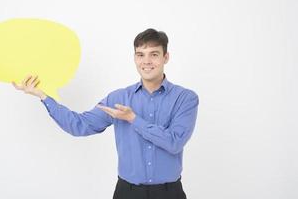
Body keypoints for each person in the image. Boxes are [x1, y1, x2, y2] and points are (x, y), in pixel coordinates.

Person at [12, 28, 199, 199]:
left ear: (165, 57)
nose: (146, 61)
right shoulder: (118, 98)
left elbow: (174, 142)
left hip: (169, 193)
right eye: (140, 55)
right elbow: (80, 125)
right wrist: (43, 96)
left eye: (154, 54)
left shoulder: (185, 98)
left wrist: (133, 119)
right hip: (127, 193)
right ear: (134, 58)